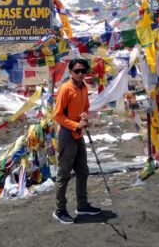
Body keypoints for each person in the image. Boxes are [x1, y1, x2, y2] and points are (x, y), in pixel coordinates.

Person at [52, 58, 101, 224]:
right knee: (64, 174)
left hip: (78, 134)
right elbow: (57, 115)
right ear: (71, 72)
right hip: (66, 134)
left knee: (83, 171)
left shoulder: (84, 87)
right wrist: (75, 124)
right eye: (77, 71)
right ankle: (60, 210)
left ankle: (82, 205)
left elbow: (85, 107)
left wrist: (84, 116)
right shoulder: (66, 89)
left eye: (83, 71)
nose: (80, 74)